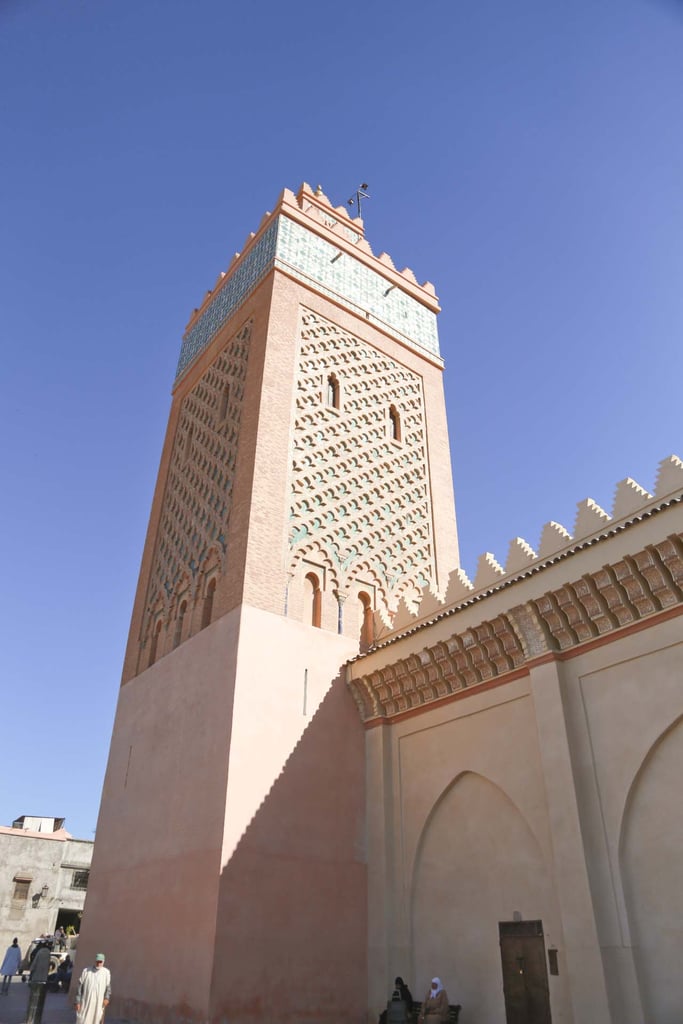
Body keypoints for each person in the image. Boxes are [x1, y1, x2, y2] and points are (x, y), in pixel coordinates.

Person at [75, 953, 111, 1024]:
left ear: (103, 962)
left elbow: (108, 988)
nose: (98, 963)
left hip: (98, 1004)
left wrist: (107, 998)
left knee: (97, 1020)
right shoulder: (86, 971)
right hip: (86, 1002)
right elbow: (79, 987)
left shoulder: (106, 972)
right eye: (97, 961)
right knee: (82, 1020)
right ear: (95, 961)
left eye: (100, 962)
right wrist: (77, 1002)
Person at [26, 941, 52, 1024]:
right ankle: (37, 1019)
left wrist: (31, 970)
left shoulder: (40, 952)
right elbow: (48, 965)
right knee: (40, 999)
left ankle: (30, 1019)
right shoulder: (48, 953)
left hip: (36, 978)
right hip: (43, 978)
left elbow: (35, 962)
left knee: (33, 998)